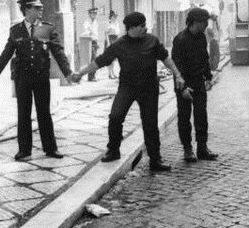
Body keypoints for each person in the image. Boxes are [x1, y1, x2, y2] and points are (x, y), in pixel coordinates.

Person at [72, 12, 184, 172]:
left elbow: (166, 59)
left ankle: (155, 159)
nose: (146, 28)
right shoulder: (119, 44)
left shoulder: (153, 40)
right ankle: (113, 150)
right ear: (132, 28)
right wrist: (80, 74)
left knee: (150, 124)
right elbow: (100, 61)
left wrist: (178, 74)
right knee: (115, 117)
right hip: (127, 87)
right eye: (142, 26)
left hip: (149, 88)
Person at [0, 0, 72, 161]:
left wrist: (68, 73)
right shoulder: (15, 30)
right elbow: (6, 54)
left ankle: (50, 148)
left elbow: (58, 52)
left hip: (41, 77)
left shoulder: (47, 29)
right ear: (27, 10)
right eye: (37, 8)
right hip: (22, 78)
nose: (41, 10)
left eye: (41, 7)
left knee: (44, 113)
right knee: (23, 113)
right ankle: (24, 150)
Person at [171, 8, 218, 162]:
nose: (206, 24)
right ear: (196, 22)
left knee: (201, 115)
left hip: (198, 82)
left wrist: (208, 77)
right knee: (184, 117)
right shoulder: (180, 39)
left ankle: (202, 148)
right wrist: (183, 88)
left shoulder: (201, 38)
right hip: (184, 82)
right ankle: (187, 149)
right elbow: (176, 67)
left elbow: (204, 58)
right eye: (205, 21)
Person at [79, 7, 100, 81]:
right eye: (93, 13)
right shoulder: (87, 22)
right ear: (89, 14)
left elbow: (96, 33)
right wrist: (90, 32)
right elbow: (86, 31)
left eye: (96, 13)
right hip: (89, 42)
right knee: (92, 60)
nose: (95, 14)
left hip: (95, 41)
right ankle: (91, 77)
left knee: (94, 59)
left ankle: (92, 76)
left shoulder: (95, 22)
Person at [105, 10, 121, 79]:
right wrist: (108, 43)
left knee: (114, 59)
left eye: (116, 16)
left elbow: (118, 32)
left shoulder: (117, 23)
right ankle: (110, 73)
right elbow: (106, 33)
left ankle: (113, 73)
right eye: (114, 16)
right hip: (110, 39)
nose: (115, 17)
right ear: (111, 16)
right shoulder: (108, 23)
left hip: (116, 39)